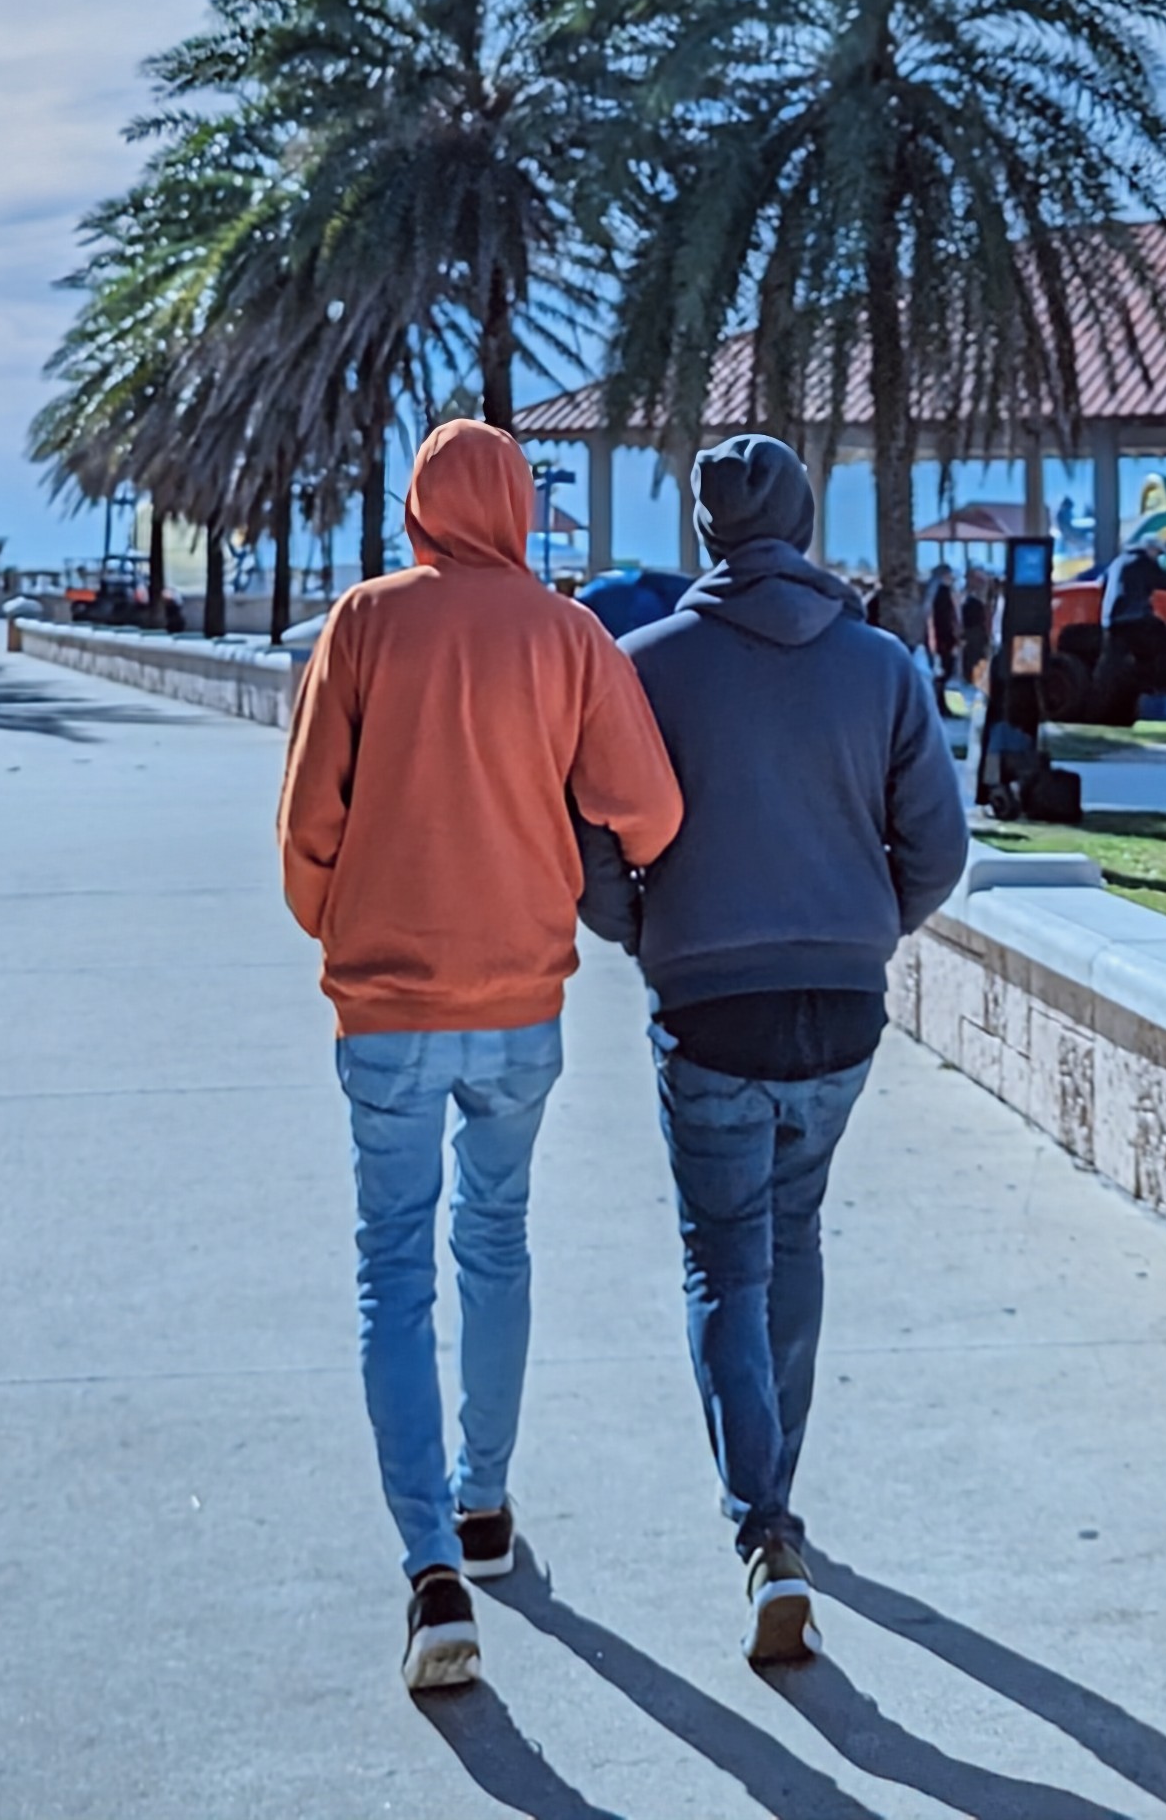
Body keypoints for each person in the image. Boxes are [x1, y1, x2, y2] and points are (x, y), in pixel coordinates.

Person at [280, 418, 686, 1692]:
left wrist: (342, 922)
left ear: (416, 505)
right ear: (517, 505)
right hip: (521, 1005)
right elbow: (652, 811)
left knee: (392, 1271)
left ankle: (426, 1568)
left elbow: (308, 823)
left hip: (387, 1006)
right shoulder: (571, 635)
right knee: (496, 1240)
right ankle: (486, 1507)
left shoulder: (363, 623)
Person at [594, 436, 969, 1663]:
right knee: (792, 1237)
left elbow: (588, 840)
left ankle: (765, 1527)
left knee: (723, 1262)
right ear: (805, 520)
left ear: (709, 532)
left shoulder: (643, 670)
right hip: (841, 1004)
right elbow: (939, 850)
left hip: (709, 1005)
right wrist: (864, 927)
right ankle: (781, 1510)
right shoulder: (885, 667)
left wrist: (652, 929)